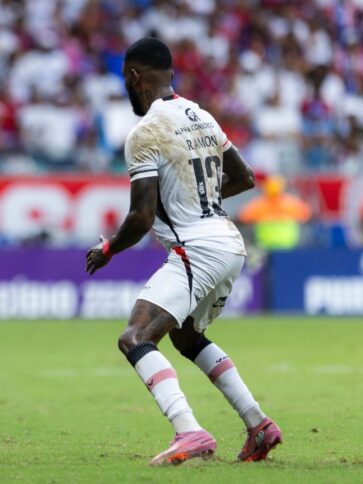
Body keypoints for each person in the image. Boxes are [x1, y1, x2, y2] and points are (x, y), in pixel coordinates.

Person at [85, 38, 281, 466]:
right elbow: (245, 177)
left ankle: (189, 430)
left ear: (134, 77)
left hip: (198, 249)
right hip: (229, 243)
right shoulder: (203, 116)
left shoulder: (145, 132)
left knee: (135, 337)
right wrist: (198, 200)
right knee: (187, 337)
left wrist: (108, 249)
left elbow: (140, 217)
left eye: (125, 80)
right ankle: (259, 425)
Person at [239, 175, 312, 250]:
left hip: (267, 245)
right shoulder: (292, 202)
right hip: (287, 245)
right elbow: (307, 216)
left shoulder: (258, 204)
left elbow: (243, 218)